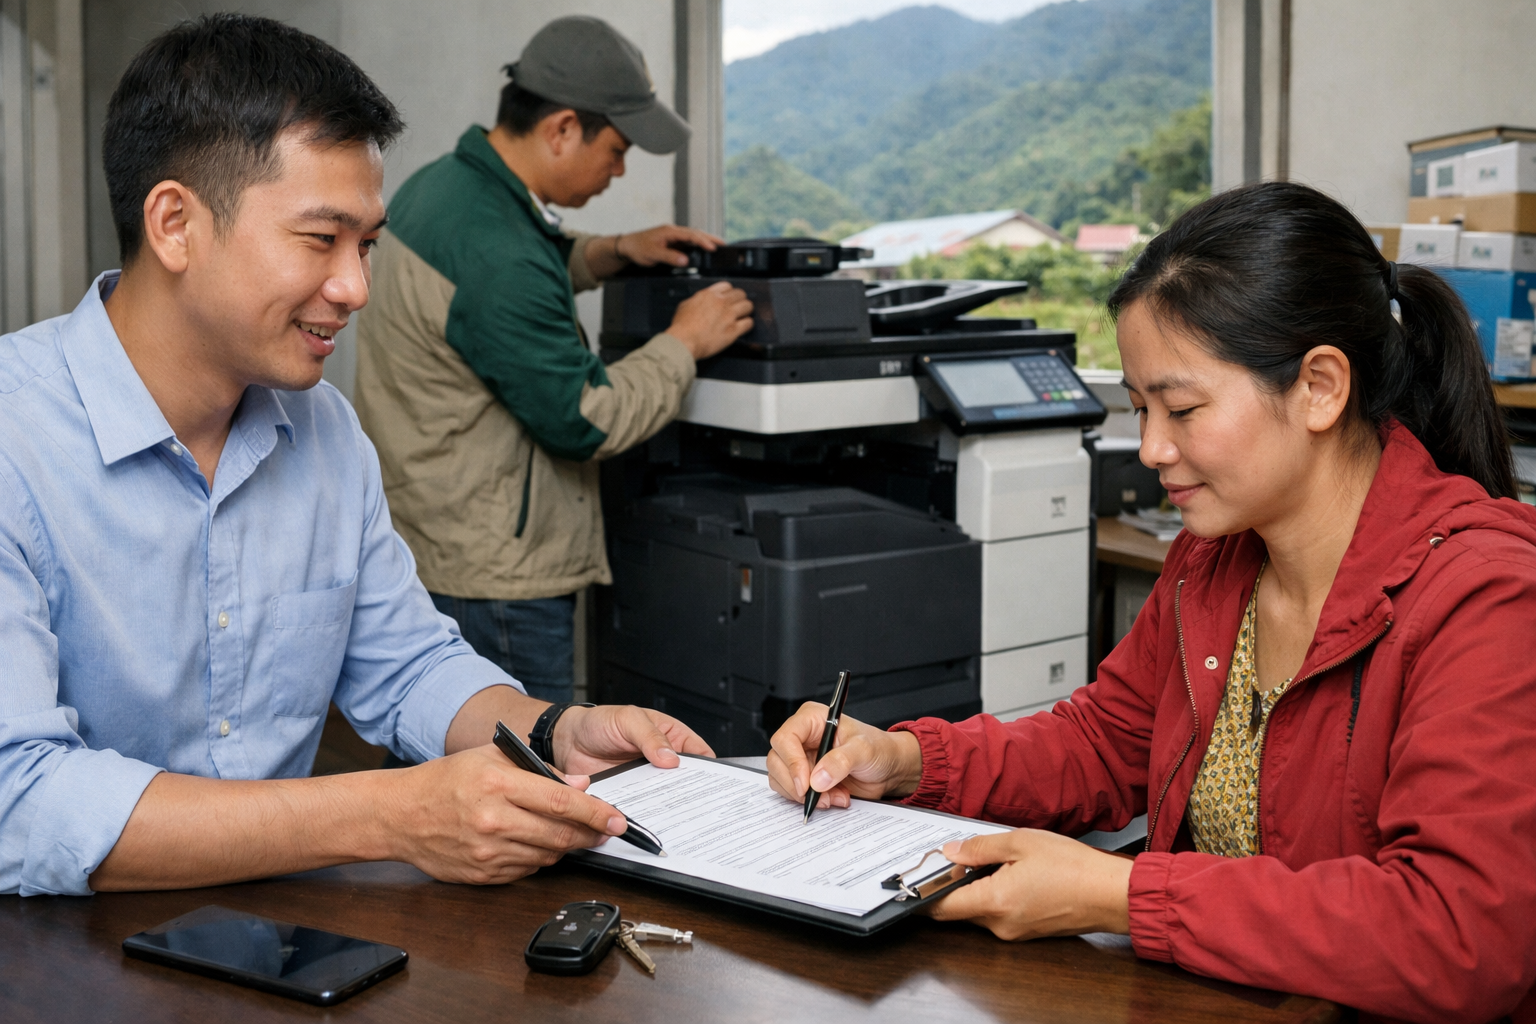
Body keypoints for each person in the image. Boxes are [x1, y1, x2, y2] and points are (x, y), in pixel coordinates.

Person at [767, 182, 1536, 1023]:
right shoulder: (1211, 559)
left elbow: (1461, 932)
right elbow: (1105, 744)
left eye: (1183, 409)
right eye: (1139, 410)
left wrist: (1125, 896)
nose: (1152, 450)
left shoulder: (1486, 596)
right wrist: (912, 761)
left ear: (1319, 386)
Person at [0, 14, 714, 899]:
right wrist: (386, 814)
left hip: (281, 938)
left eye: (366, 244)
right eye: (320, 239)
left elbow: (410, 664)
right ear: (175, 224)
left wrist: (555, 728)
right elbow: (18, 800)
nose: (356, 289)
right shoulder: (14, 439)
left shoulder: (325, 429)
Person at [354, 16, 752, 706]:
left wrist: (616, 249)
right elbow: (585, 418)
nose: (621, 169)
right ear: (563, 128)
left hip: (440, 529)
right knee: (520, 768)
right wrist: (685, 341)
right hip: (500, 573)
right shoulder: (498, 252)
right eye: (618, 149)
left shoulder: (447, 190)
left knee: (443, 737)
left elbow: (512, 278)